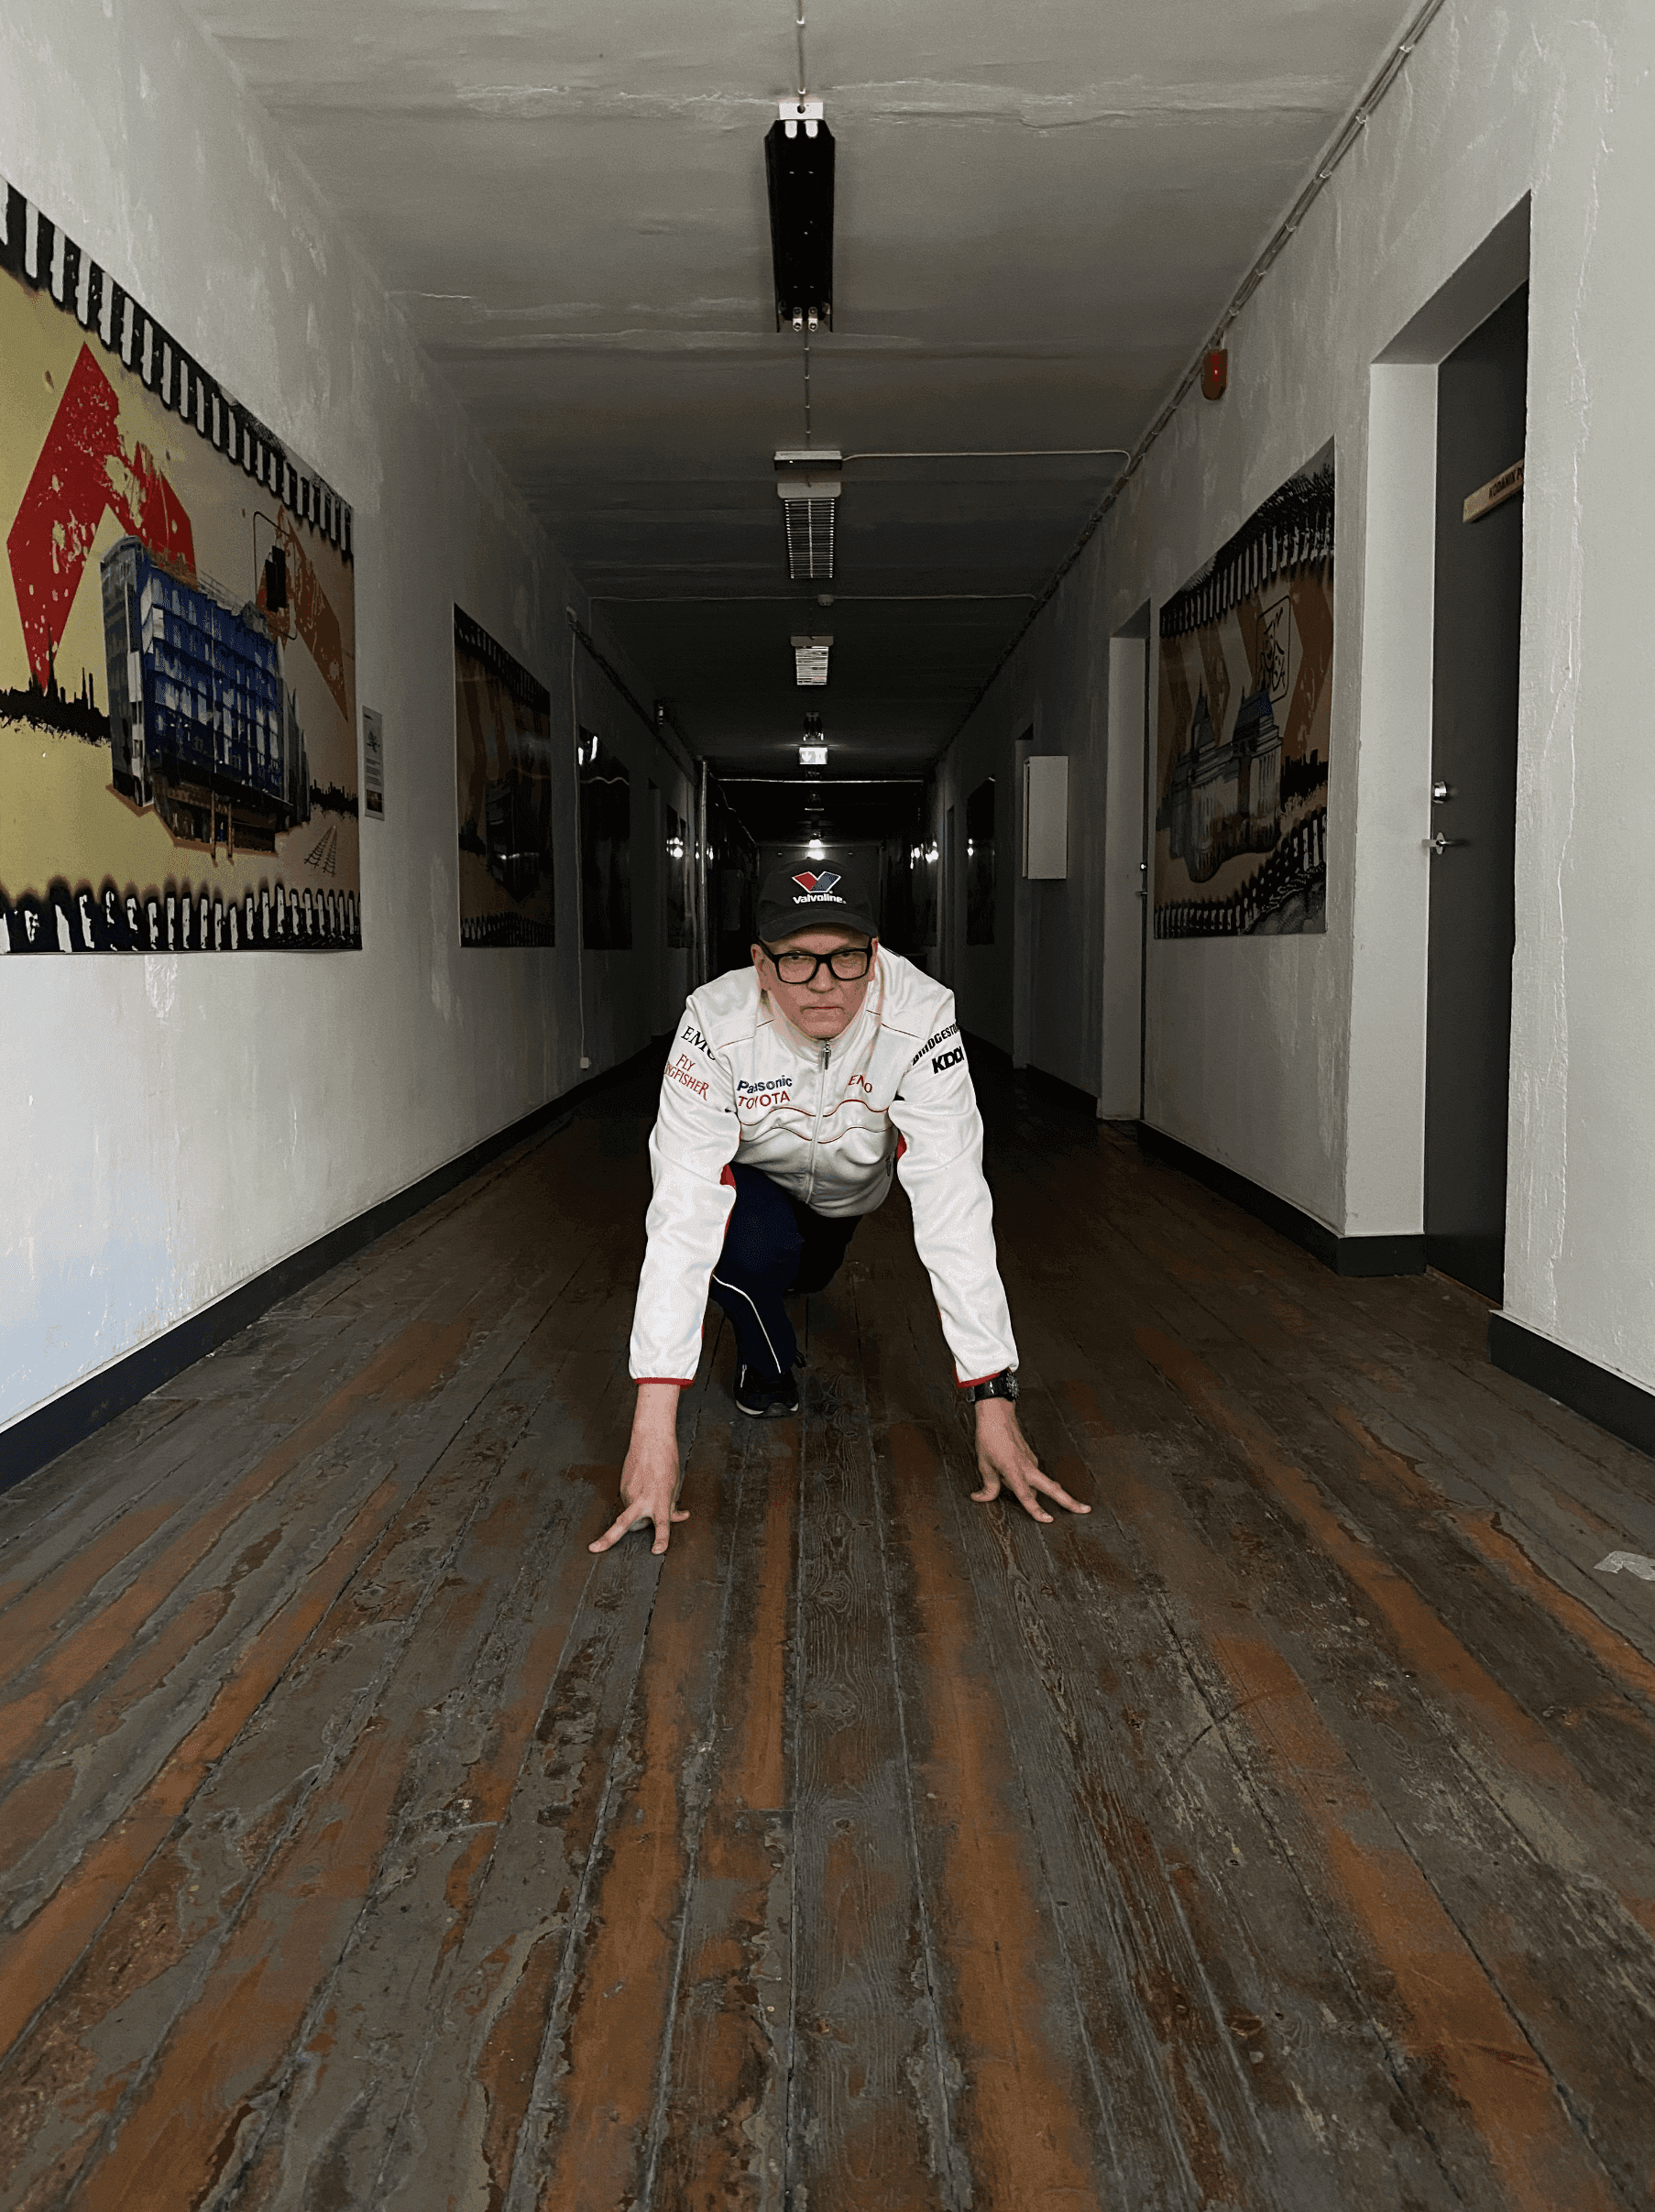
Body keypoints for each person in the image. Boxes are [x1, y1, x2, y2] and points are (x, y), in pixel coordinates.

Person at [592, 861, 1089, 1556]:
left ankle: (788, 1272)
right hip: (756, 1184)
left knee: (809, 1271)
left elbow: (954, 1204)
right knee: (746, 1250)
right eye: (797, 959)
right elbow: (682, 1206)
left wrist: (993, 1399)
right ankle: (763, 1362)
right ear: (760, 964)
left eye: (846, 957)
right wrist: (653, 1428)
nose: (823, 982)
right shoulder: (712, 1020)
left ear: (874, 955)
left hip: (849, 1199)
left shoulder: (921, 1015)